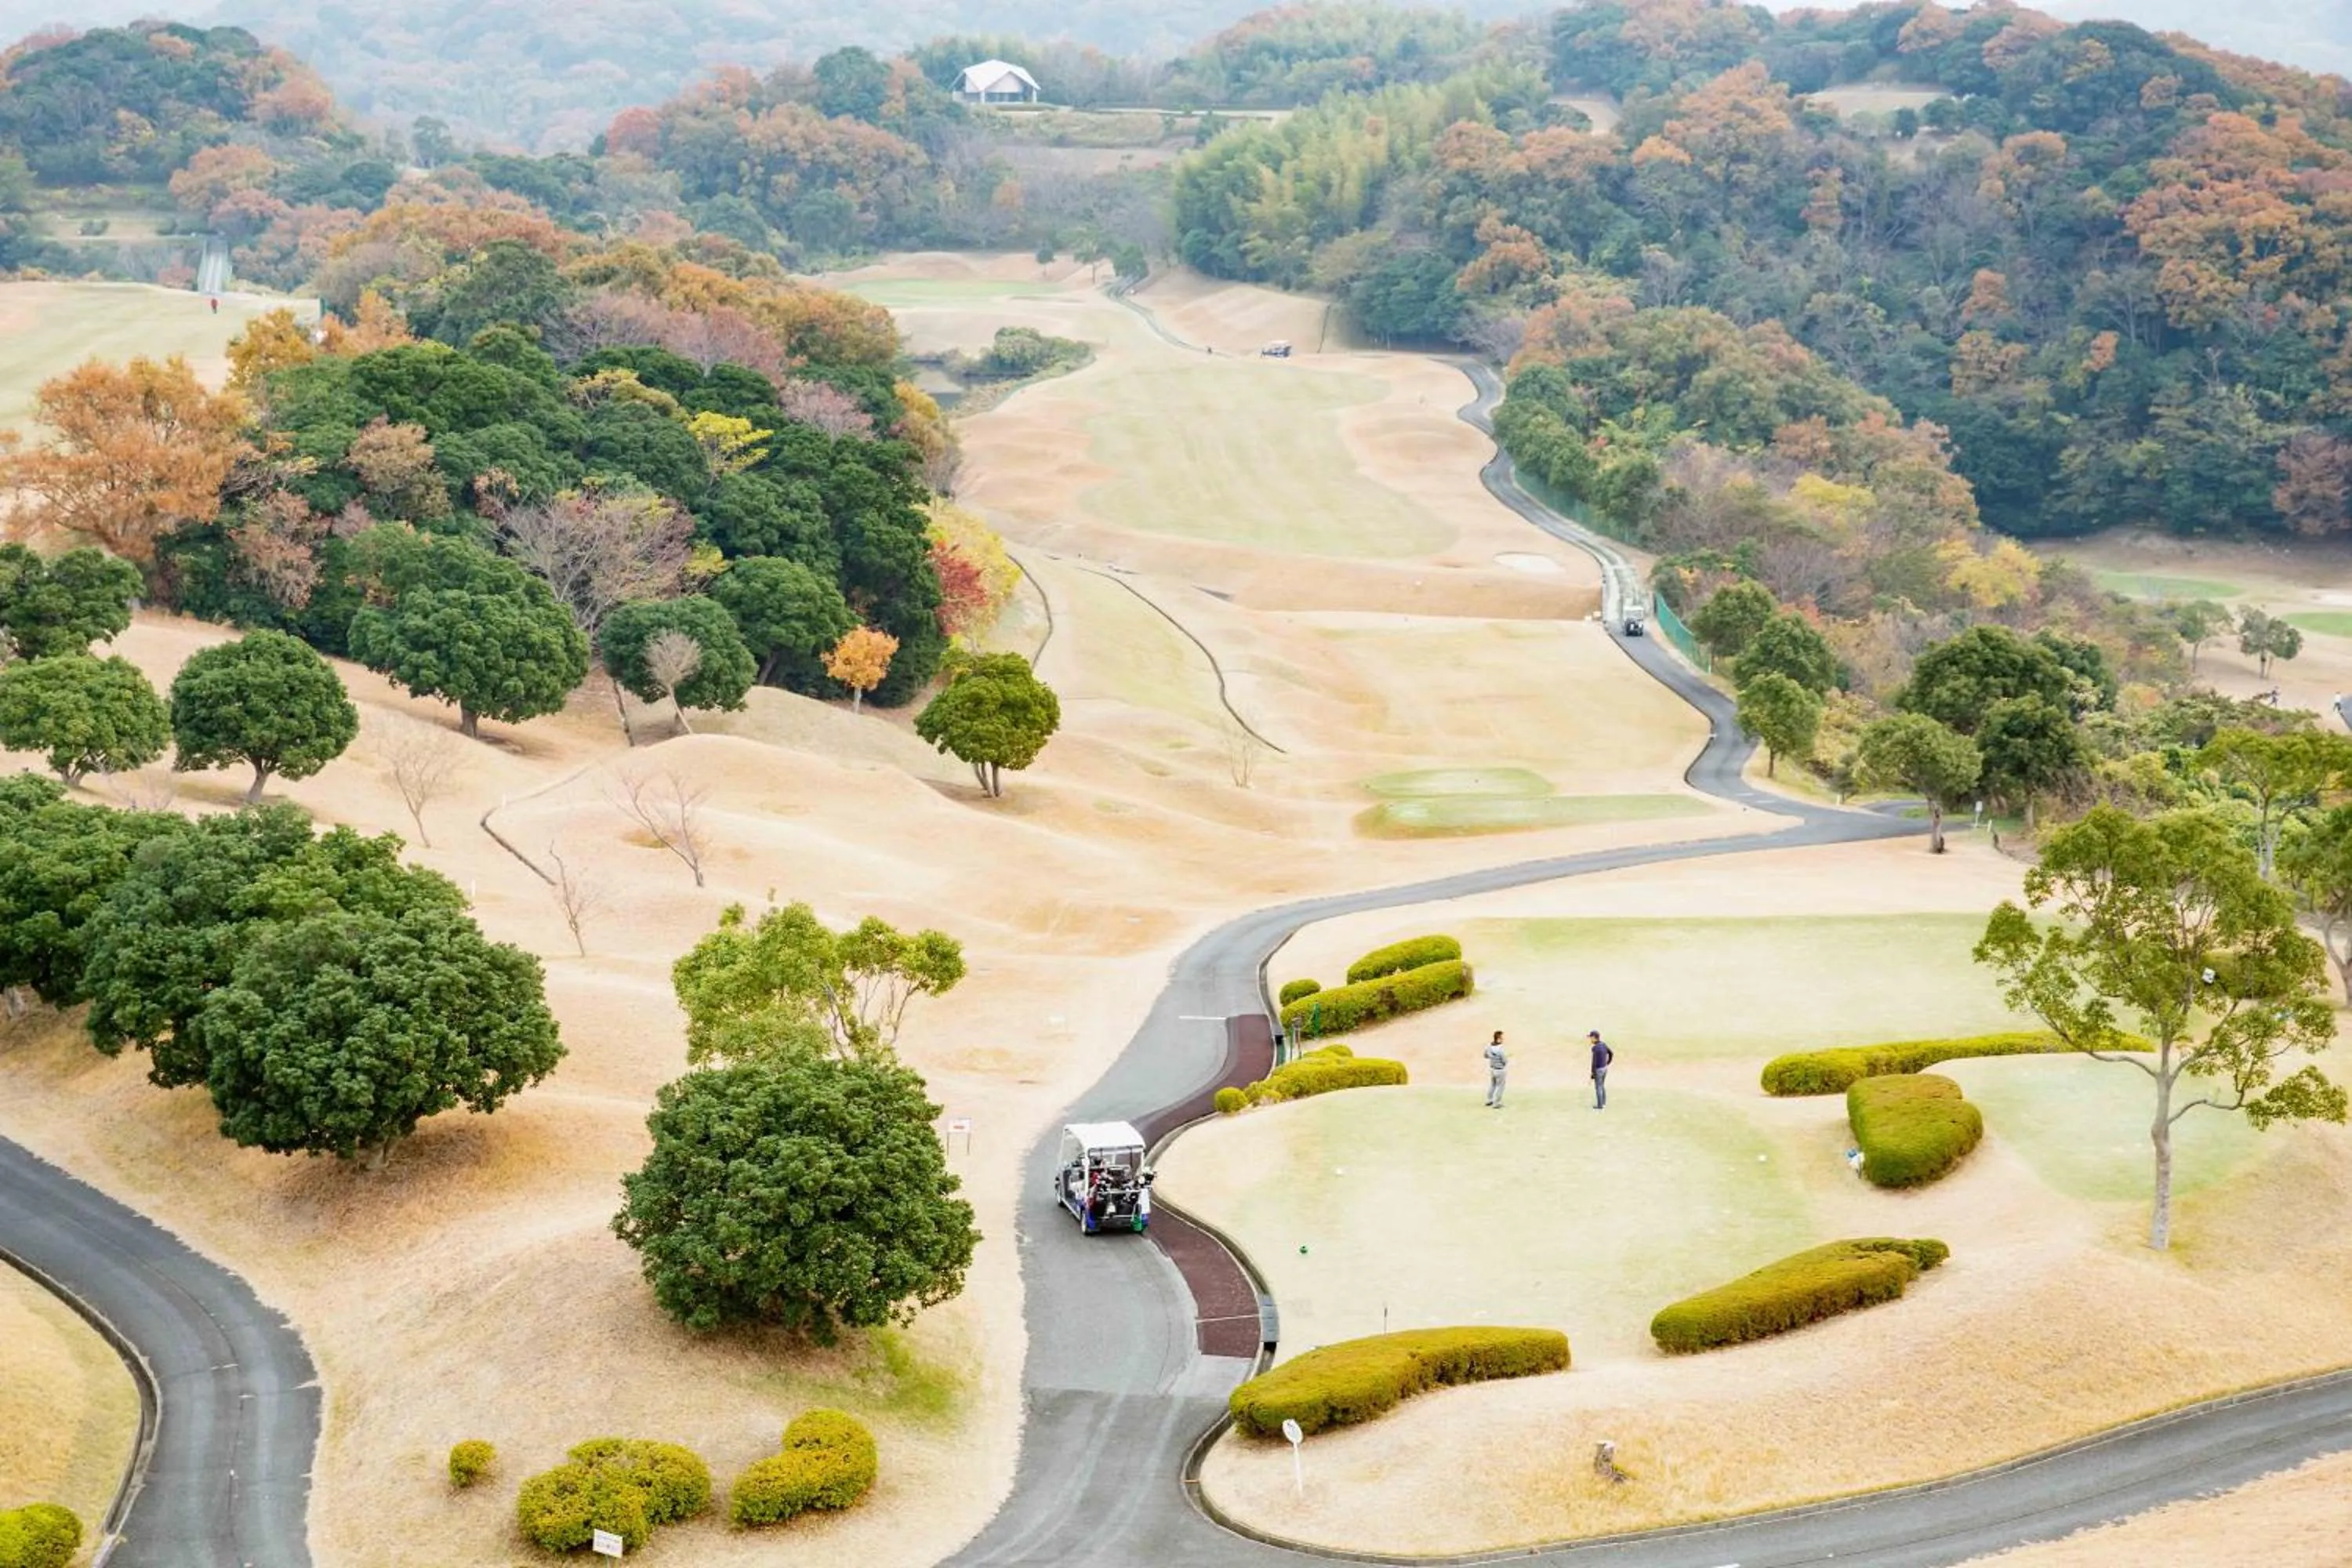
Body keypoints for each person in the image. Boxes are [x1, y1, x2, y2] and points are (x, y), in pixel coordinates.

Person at [1588, 1030, 1613, 1109]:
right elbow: (1611, 1053)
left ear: (1594, 1038)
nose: (1590, 1040)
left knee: (1598, 1087)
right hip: (1604, 1069)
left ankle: (1600, 1106)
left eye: (1591, 1037)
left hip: (1598, 1070)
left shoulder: (1595, 1048)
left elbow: (1594, 1062)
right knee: (1602, 1086)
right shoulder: (1603, 1045)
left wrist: (1592, 1074)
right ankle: (1603, 1103)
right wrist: (1608, 1062)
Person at [1483, 1030, 1508, 1109]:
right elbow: (1504, 1061)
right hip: (1500, 1070)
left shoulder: (1489, 1047)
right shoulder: (1501, 1049)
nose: (1503, 1039)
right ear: (1498, 1039)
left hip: (1492, 1069)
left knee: (1492, 1085)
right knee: (1500, 1087)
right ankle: (1496, 1103)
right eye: (1502, 1038)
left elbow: (1485, 1055)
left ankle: (1489, 1100)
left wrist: (1492, 1058)